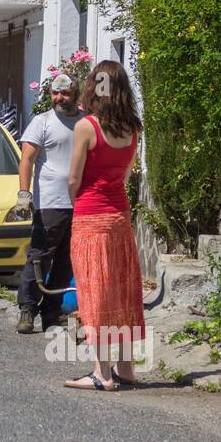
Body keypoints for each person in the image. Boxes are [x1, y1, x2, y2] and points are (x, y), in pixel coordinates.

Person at [63, 59, 144, 391]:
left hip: (90, 217)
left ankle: (102, 373)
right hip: (119, 218)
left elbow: (73, 178)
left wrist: (77, 202)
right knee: (123, 289)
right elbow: (124, 177)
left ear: (95, 87)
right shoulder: (133, 129)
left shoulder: (87, 127)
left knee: (94, 292)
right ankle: (126, 368)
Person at [13, 73, 83, 334]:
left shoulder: (85, 122)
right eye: (55, 92)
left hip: (79, 203)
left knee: (67, 261)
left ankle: (51, 313)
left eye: (64, 93)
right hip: (50, 203)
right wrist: (24, 194)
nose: (59, 98)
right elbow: (27, 159)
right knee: (40, 257)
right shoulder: (42, 122)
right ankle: (27, 309)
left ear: (75, 93)